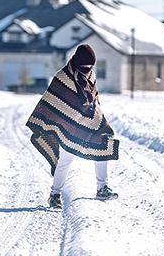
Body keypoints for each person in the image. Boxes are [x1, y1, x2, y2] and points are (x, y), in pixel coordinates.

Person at [26, 44, 119, 209]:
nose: (87, 69)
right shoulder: (62, 77)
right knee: (66, 161)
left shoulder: (91, 75)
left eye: (90, 66)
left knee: (103, 147)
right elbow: (53, 102)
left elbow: (94, 101)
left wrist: (97, 119)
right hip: (70, 126)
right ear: (77, 62)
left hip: (91, 124)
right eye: (85, 66)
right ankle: (55, 195)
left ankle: (102, 188)